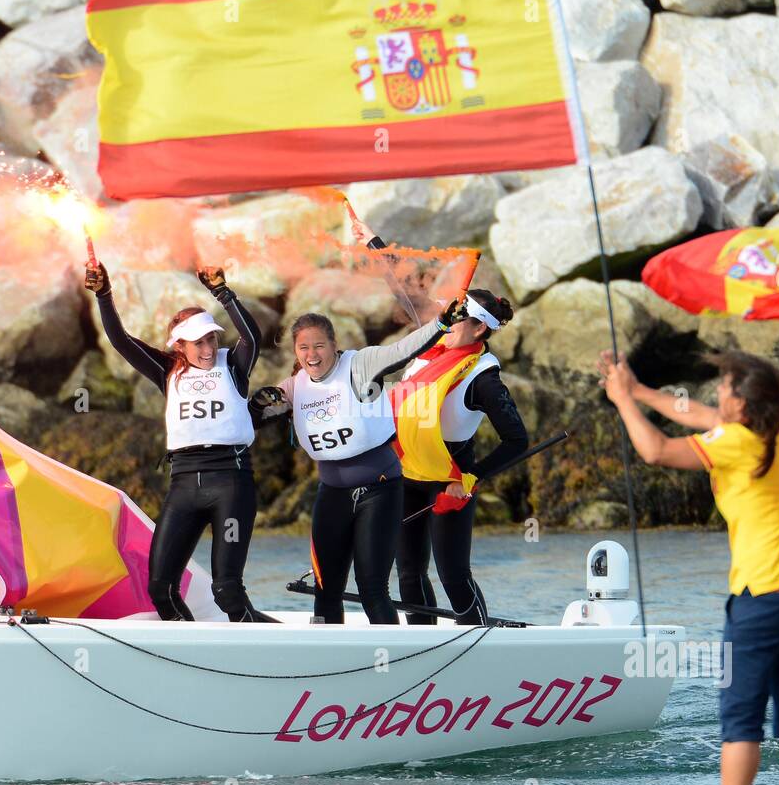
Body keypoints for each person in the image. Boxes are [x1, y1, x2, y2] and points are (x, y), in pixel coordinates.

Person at [599, 348, 779, 785]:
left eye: (725, 387)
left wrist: (622, 403)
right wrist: (637, 389)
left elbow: (657, 450)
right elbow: (697, 414)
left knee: (739, 712)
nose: (715, 395)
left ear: (742, 403)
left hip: (764, 595)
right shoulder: (773, 432)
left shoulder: (736, 443)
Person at [254, 230, 467, 625]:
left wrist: (440, 325)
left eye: (319, 346)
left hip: (380, 493)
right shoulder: (294, 386)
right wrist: (257, 405)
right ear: (296, 353)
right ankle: (329, 668)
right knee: (326, 592)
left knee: (372, 588)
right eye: (304, 348)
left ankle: (393, 665)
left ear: (334, 345)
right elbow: (251, 418)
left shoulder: (360, 364)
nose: (312, 354)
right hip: (331, 495)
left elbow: (403, 349)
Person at [86, 260, 275, 623]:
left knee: (227, 590)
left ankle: (279, 653)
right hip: (184, 485)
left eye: (211, 339)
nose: (207, 349)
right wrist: (104, 295)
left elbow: (252, 337)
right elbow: (120, 341)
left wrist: (222, 292)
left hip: (230, 482)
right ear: (179, 346)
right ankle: (191, 657)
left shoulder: (233, 364)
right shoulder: (167, 371)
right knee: (161, 589)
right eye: (198, 342)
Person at [392, 284, 527, 626]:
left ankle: (479, 638)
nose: (445, 323)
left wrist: (470, 478)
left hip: (450, 478)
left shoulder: (484, 378)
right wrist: (374, 244)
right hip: (407, 474)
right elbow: (403, 290)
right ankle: (421, 645)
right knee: (408, 573)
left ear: (479, 327)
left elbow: (517, 440)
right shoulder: (432, 344)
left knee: (452, 573)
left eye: (456, 319)